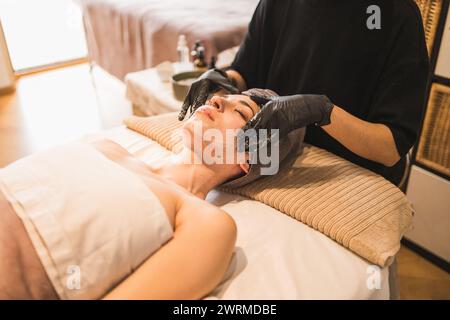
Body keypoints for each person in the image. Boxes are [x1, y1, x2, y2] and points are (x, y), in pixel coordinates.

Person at [0, 90, 301, 300]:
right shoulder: (108, 147)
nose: (217, 99)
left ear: (248, 158)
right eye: (222, 96)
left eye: (240, 111)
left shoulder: (208, 224)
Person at [180, 0, 429, 185]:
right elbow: (245, 72)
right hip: (280, 163)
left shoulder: (396, 16)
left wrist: (322, 112)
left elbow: (390, 149)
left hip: (346, 177)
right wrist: (221, 79)